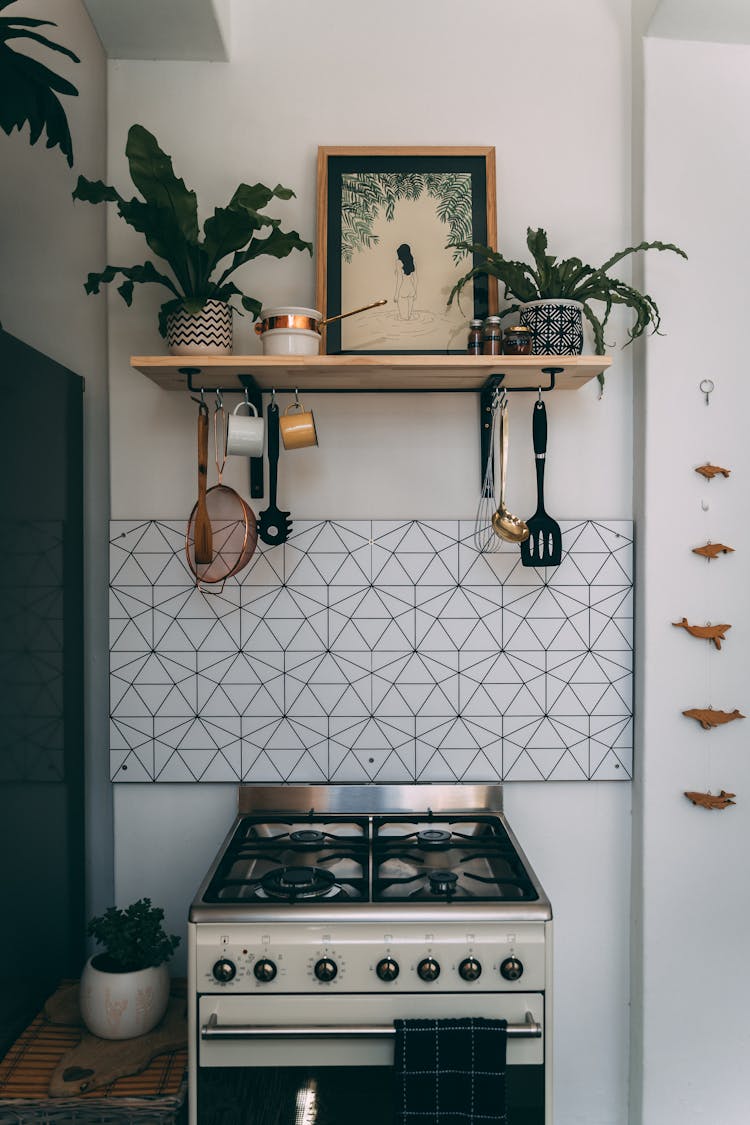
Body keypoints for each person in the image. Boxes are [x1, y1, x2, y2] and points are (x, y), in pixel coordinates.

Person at [394, 243, 417, 320]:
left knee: (403, 318)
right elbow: (416, 279)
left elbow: (399, 279)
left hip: (403, 290)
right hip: (411, 289)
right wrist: (415, 292)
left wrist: (396, 294)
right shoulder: (413, 262)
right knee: (409, 318)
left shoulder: (398, 263)